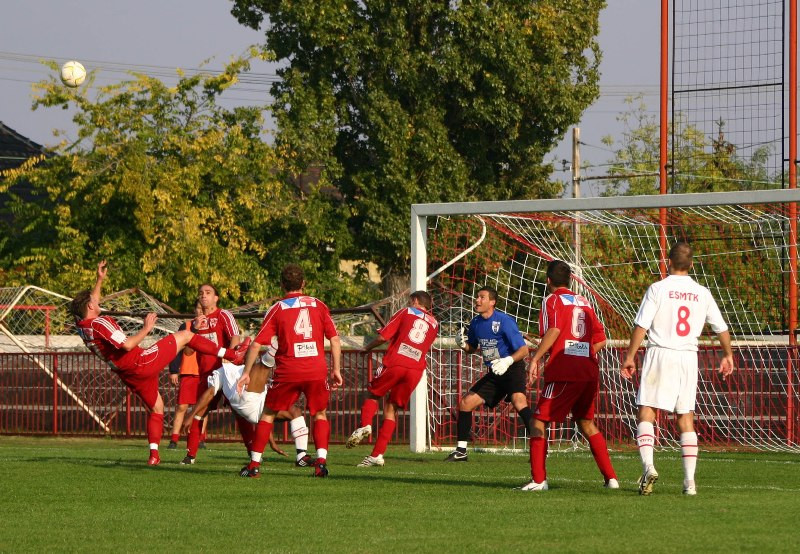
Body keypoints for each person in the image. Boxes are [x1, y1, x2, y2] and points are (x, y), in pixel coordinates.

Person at [70, 261, 250, 465]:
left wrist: (99, 280)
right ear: (91, 306)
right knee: (185, 335)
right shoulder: (99, 322)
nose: (98, 300)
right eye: (95, 300)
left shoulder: (82, 326)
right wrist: (147, 328)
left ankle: (154, 455)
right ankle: (233, 355)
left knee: (157, 407)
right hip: (140, 361)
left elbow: (92, 301)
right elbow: (128, 344)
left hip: (127, 374)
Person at [621, 242, 734, 496]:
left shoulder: (658, 289)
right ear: (691, 264)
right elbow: (721, 328)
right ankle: (689, 482)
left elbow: (642, 325)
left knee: (647, 412)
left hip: (660, 353)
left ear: (668, 261)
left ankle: (649, 466)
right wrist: (727, 354)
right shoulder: (702, 292)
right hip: (687, 358)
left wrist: (630, 356)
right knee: (685, 418)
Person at [520, 259, 618, 491]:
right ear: (569, 280)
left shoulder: (551, 300)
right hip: (589, 371)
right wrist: (580, 353)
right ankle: (611, 479)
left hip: (566, 372)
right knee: (586, 422)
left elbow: (554, 330)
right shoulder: (584, 301)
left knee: (538, 421)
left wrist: (535, 358)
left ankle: (538, 480)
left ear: (548, 280)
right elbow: (601, 340)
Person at [237, 264, 342, 478]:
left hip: (289, 370)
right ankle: (320, 462)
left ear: (282, 284)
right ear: (304, 283)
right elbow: (335, 338)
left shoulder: (277, 309)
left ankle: (254, 466)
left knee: (268, 414)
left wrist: (246, 372)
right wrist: (336, 369)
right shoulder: (319, 305)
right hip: (316, 369)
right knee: (319, 413)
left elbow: (257, 344)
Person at [345, 291, 439, 467]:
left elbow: (383, 337)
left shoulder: (406, 312)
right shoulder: (435, 323)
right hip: (416, 369)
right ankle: (376, 455)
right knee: (391, 409)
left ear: (415, 301)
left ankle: (365, 425)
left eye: (410, 301)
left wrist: (367, 348)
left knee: (373, 394)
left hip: (396, 362)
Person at [446, 286, 532, 462]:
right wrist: (463, 344)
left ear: (492, 302)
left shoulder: (504, 321)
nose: (477, 300)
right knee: (465, 403)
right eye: (477, 297)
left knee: (519, 401)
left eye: (482, 297)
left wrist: (507, 360)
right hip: (494, 372)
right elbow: (472, 348)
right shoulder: (476, 323)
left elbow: (524, 351)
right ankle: (461, 451)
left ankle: (540, 444)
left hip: (512, 368)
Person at [181, 350, 311, 466]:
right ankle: (276, 343)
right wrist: (190, 415)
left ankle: (301, 456)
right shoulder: (225, 370)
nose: (248, 354)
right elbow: (209, 393)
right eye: (244, 351)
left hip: (257, 404)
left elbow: (266, 415)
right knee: (263, 366)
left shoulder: (246, 369)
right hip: (246, 402)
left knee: (295, 412)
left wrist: (272, 442)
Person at [181, 283, 243, 465]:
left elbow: (235, 337)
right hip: (206, 375)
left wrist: (228, 359)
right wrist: (194, 330)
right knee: (199, 412)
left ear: (216, 298)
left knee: (241, 411)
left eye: (208, 293)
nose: (204, 296)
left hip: (226, 372)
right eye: (201, 293)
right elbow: (187, 353)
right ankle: (190, 455)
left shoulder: (224, 315)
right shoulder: (196, 322)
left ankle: (254, 453)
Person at [166, 302, 205, 449]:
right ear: (194, 309)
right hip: (188, 371)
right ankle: (174, 439)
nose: (201, 311)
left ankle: (200, 438)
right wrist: (174, 370)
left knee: (203, 408)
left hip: (205, 372)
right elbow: (178, 348)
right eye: (199, 308)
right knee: (182, 407)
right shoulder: (186, 326)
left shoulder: (211, 327)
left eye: (203, 309)